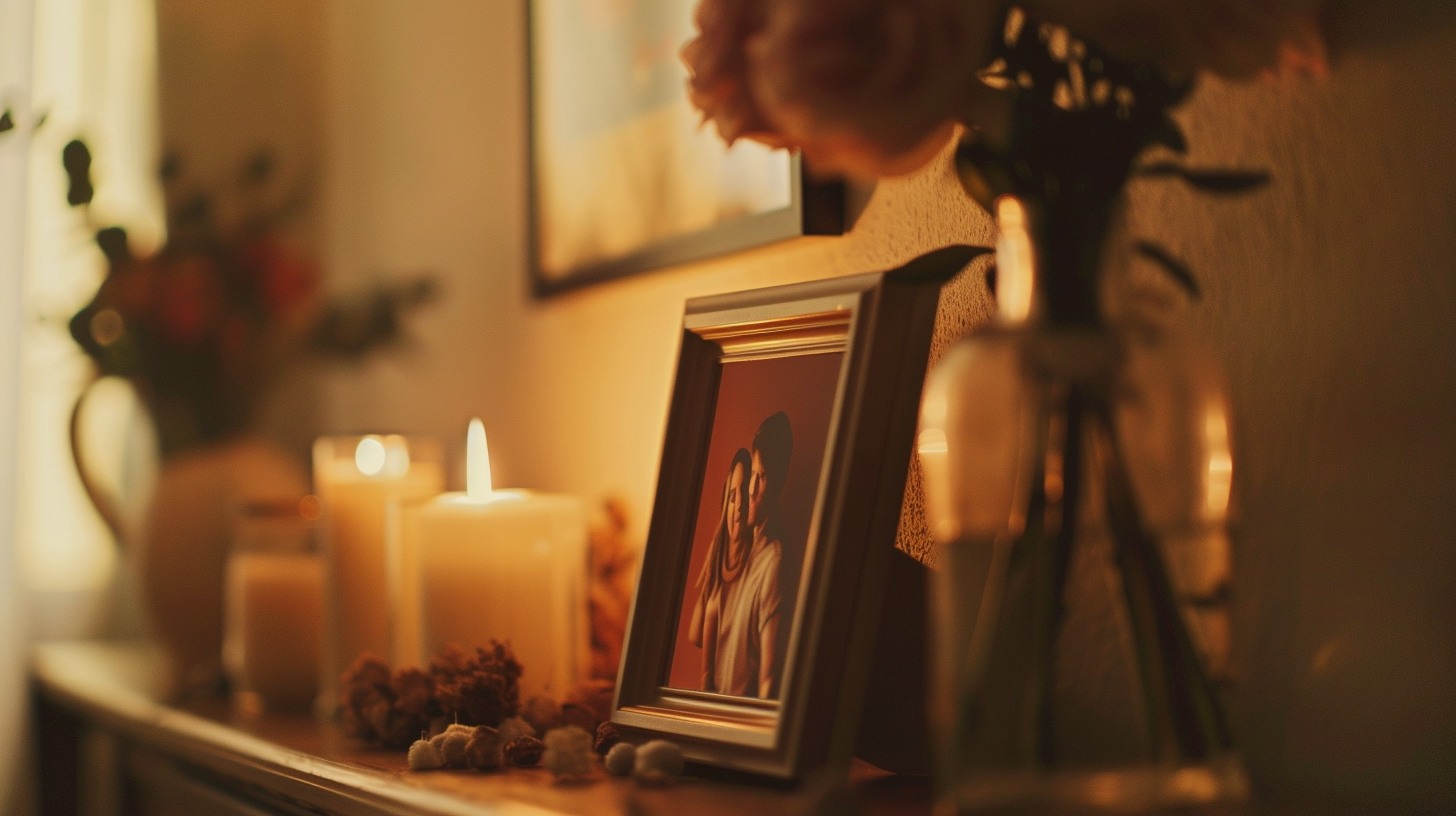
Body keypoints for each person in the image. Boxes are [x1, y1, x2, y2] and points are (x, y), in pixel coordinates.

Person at [694, 412, 794, 698]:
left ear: (776, 483)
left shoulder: (773, 561)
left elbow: (769, 678)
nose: (750, 491)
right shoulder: (744, 555)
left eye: (759, 478)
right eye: (753, 476)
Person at [688, 448, 752, 692]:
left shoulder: (756, 560)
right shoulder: (719, 550)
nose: (738, 506)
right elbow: (695, 634)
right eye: (732, 496)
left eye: (744, 495)